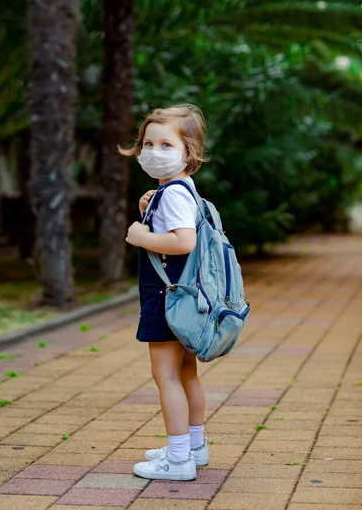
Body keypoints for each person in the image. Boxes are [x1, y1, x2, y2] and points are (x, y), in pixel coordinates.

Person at [119, 103, 209, 481]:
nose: (153, 152)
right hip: (185, 297)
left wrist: (142, 236)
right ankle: (194, 447)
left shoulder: (172, 193)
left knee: (166, 376)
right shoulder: (179, 189)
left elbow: (183, 241)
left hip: (166, 298)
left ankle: (177, 460)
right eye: (148, 143)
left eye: (166, 145)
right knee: (186, 373)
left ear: (189, 151)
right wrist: (149, 204)